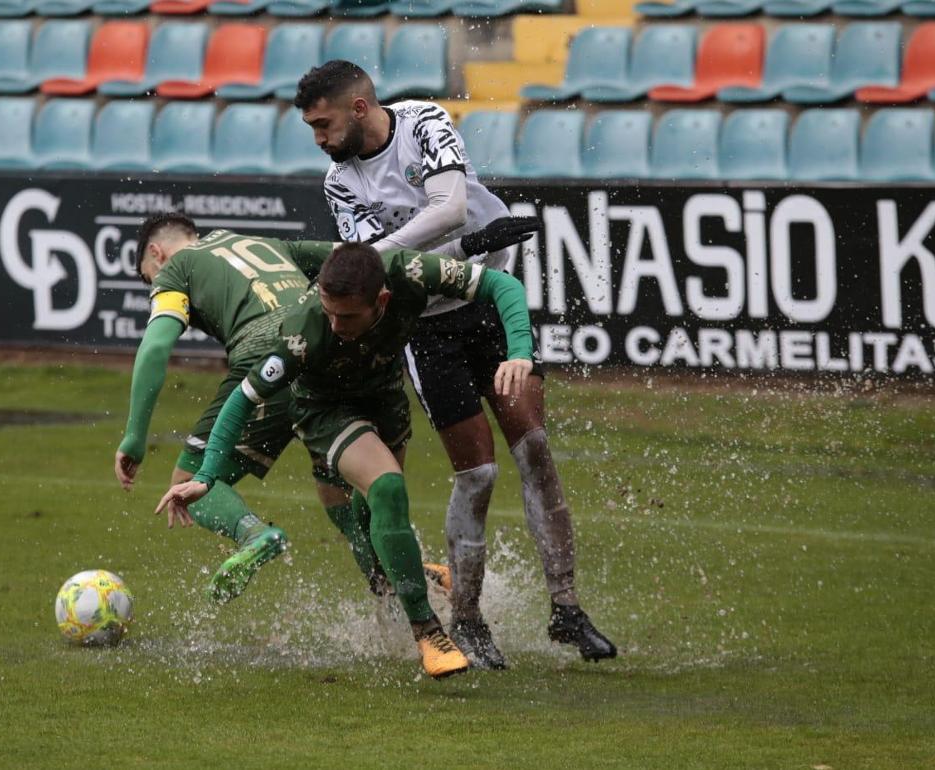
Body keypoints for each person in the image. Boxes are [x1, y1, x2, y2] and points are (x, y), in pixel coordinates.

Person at [293, 60, 616, 668]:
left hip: (486, 298)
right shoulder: (339, 181)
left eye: (323, 123)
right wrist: (460, 248)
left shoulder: (424, 121)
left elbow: (448, 207)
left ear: (358, 108)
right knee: (479, 474)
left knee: (535, 448)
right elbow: (394, 257)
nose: (319, 138)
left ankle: (567, 607)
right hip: (427, 327)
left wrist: (393, 255)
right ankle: (467, 619)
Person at [155, 240, 536, 679]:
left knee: (369, 511)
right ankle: (427, 630)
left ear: (383, 300)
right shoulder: (303, 332)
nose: (335, 325)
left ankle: (405, 578)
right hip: (324, 411)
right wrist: (205, 476)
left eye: (348, 315)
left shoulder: (411, 274)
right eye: (329, 311)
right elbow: (242, 399)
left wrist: (520, 351)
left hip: (385, 397)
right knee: (387, 487)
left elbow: (501, 285)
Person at [117, 214, 391, 603]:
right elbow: (361, 259)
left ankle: (254, 534)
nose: (153, 285)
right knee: (337, 493)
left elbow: (157, 347)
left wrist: (134, 437)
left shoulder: (175, 267)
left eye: (148, 278)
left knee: (187, 478)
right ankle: (396, 588)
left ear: (156, 254)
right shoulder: (263, 243)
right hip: (324, 351)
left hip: (267, 359)